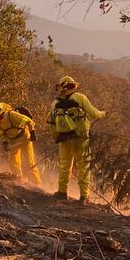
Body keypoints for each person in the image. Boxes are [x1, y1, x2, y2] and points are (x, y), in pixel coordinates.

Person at [47, 75, 106, 203]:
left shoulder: (55, 103)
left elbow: (51, 123)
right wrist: (104, 113)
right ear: (72, 86)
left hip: (64, 139)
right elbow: (93, 113)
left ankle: (62, 192)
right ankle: (84, 196)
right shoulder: (79, 97)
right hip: (81, 137)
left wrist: (56, 138)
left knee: (64, 165)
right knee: (83, 166)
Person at [0, 101, 42, 186]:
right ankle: (19, 180)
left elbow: (28, 121)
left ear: (0, 113)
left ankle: (37, 184)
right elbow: (0, 134)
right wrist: (4, 142)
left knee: (29, 163)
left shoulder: (12, 115)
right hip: (13, 142)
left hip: (24, 139)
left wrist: (32, 132)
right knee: (13, 163)